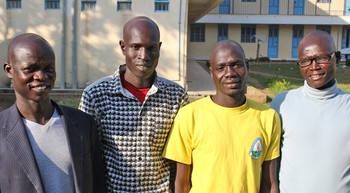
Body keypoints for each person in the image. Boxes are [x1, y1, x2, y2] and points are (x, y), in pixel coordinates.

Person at [79, 16, 188, 192]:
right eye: (136, 47)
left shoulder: (175, 96)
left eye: (151, 48)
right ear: (123, 47)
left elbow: (179, 159)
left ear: (159, 48)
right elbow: (87, 156)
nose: (144, 56)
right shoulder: (96, 95)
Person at [163, 39, 281, 193]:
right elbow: (182, 184)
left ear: (247, 67)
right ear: (211, 73)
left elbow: (269, 184)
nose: (230, 73)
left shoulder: (268, 117)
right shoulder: (189, 116)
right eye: (221, 68)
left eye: (236, 65)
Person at [0, 33, 106, 193]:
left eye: (49, 68)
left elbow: (98, 185)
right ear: (9, 70)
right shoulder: (2, 130)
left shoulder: (83, 124)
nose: (41, 76)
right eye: (30, 69)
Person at [270, 30, 350, 193]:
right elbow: (271, 160)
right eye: (305, 61)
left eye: (321, 58)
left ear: (337, 57)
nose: (314, 67)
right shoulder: (283, 103)